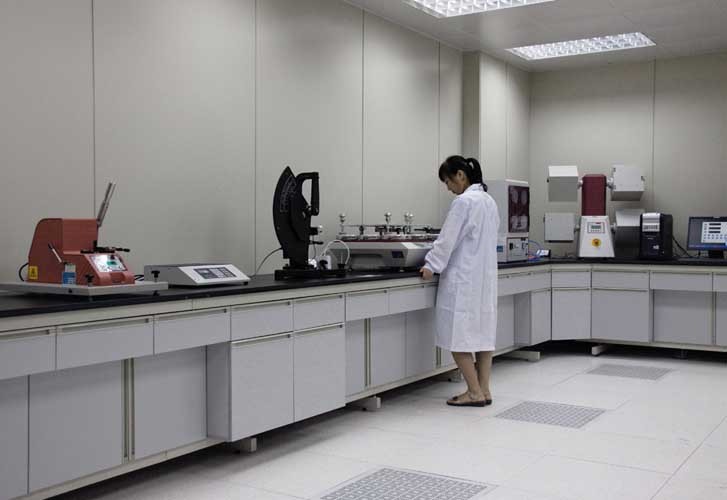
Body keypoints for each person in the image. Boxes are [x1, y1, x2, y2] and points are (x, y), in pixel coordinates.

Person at [420, 156, 499, 407]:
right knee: (483, 337)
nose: (448, 188)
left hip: (464, 281)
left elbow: (447, 240)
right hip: (484, 280)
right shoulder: (489, 202)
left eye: (448, 181)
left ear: (460, 176)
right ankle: (484, 390)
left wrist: (431, 266)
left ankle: (473, 392)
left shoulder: (463, 202)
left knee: (459, 339)